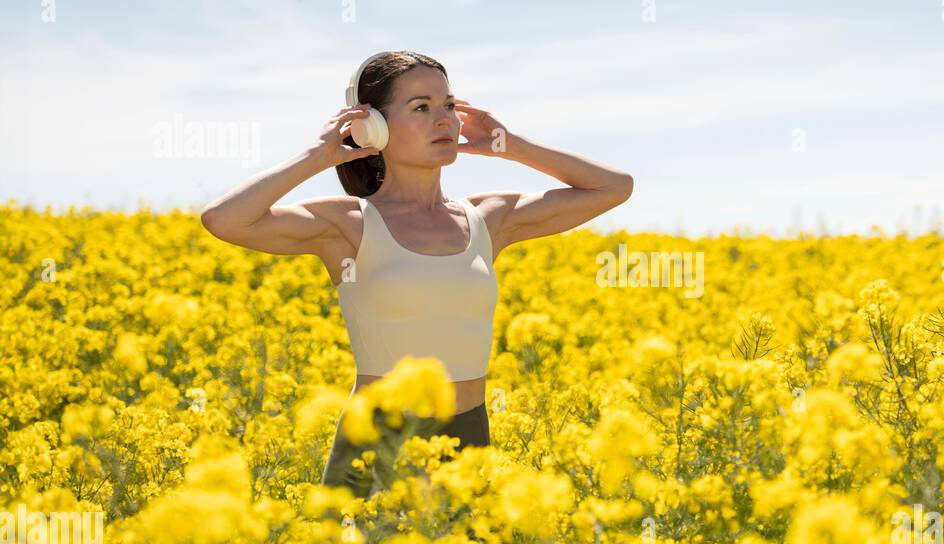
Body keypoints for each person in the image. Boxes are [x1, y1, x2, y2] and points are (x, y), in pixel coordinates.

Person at [200, 50, 634, 496]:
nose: (444, 120)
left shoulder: (489, 217)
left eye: (449, 105)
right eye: (421, 108)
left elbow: (614, 187)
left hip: (468, 443)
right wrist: (319, 155)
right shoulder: (348, 224)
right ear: (373, 125)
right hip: (375, 443)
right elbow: (224, 219)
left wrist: (512, 144)